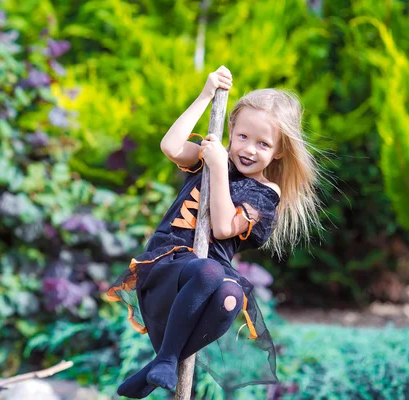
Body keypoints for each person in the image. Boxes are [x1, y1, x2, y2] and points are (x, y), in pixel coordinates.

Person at [107, 66, 322, 398]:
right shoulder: (214, 157)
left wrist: (219, 167)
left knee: (231, 296)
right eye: (243, 137)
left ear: (278, 151)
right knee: (208, 272)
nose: (249, 149)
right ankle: (164, 359)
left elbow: (222, 228)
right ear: (231, 129)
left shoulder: (265, 194)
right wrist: (206, 95)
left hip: (206, 272)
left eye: (263, 144)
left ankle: (161, 364)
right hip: (170, 262)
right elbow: (171, 145)